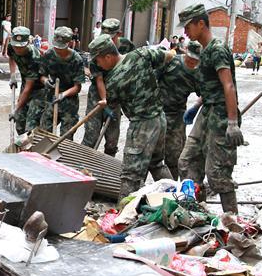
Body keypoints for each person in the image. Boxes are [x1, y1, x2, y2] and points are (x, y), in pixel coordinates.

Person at [87, 35, 174, 198]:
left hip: (142, 126)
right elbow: (169, 55)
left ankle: (121, 217)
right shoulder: (141, 54)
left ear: (108, 56)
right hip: (159, 119)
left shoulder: (114, 80)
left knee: (130, 175)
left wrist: (105, 102)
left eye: (98, 60)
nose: (97, 64)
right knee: (157, 164)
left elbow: (112, 102)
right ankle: (179, 198)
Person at [176, 3, 243, 214]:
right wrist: (196, 106)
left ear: (201, 24)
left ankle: (233, 223)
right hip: (207, 112)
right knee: (186, 162)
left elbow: (228, 85)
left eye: (188, 26)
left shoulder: (217, 50)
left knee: (217, 173)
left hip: (221, 115)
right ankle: (198, 213)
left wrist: (232, 123)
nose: (185, 31)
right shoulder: (204, 51)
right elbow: (211, 86)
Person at [157, 40, 201, 178]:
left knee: (175, 155)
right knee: (152, 153)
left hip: (177, 116)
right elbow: (153, 79)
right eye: (190, 57)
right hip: (157, 112)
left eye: (195, 60)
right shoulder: (171, 62)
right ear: (185, 52)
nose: (192, 61)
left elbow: (206, 93)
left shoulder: (197, 73)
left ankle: (174, 185)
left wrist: (195, 108)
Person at [81, 18, 123, 155]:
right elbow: (99, 80)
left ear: (118, 34)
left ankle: (107, 169)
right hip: (97, 95)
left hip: (116, 95)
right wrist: (104, 100)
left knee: (112, 140)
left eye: (111, 37)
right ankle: (82, 165)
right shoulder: (97, 49)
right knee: (91, 136)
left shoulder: (126, 48)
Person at [38, 27, 85, 138]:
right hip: (51, 98)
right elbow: (42, 75)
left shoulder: (76, 59)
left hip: (69, 101)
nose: (58, 49)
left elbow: (77, 87)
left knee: (66, 137)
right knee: (44, 134)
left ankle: (63, 155)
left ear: (69, 43)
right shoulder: (49, 54)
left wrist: (63, 95)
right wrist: (45, 81)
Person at [7, 26, 43, 133]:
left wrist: (15, 109)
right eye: (15, 46)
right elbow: (11, 58)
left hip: (39, 90)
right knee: (20, 124)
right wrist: (13, 75)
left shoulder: (34, 56)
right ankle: (22, 148)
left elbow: (28, 88)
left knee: (30, 127)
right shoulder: (11, 46)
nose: (17, 49)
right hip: (25, 84)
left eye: (21, 47)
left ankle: (33, 148)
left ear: (27, 43)